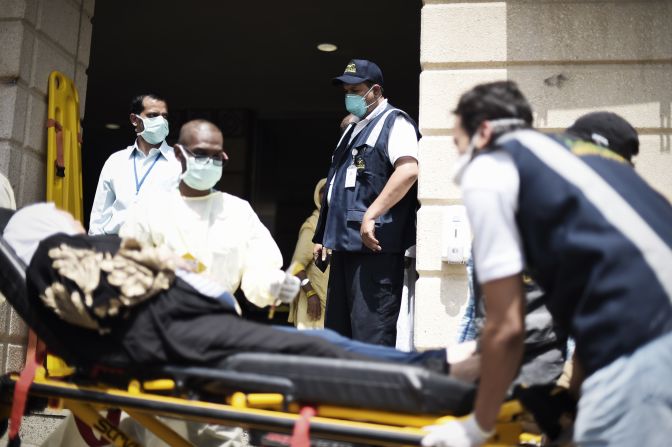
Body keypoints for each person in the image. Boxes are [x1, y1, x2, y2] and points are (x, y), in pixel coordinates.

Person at [422, 81, 672, 447]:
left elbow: (506, 327)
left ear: (485, 132)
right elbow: (604, 299)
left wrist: (478, 424)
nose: (461, 161)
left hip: (643, 353)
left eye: (459, 145)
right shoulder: (589, 167)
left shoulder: (492, 165)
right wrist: (571, 397)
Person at [119, 119, 299, 308]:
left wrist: (273, 285)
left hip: (219, 319)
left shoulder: (238, 211)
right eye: (200, 153)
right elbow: (126, 265)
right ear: (179, 154)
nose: (209, 162)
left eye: (216, 156)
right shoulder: (150, 207)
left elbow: (259, 268)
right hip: (163, 317)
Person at [313, 59, 420, 346]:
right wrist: (323, 234)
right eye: (345, 89)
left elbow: (408, 170)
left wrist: (372, 213)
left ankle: (373, 392)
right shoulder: (352, 128)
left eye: (355, 89)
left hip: (375, 249)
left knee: (371, 335)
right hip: (344, 247)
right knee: (338, 335)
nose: (349, 95)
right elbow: (337, 183)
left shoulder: (395, 122)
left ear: (375, 90)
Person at [89, 93, 181, 235]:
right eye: (153, 115)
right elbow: (99, 218)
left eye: (164, 116)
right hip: (115, 248)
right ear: (134, 119)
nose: (161, 121)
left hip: (160, 251)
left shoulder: (179, 162)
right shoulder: (116, 162)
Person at [288, 178, 329, 329]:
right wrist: (311, 294)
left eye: (331, 189)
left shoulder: (340, 226)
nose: (327, 194)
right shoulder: (312, 226)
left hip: (332, 307)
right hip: (314, 308)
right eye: (323, 191)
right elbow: (296, 266)